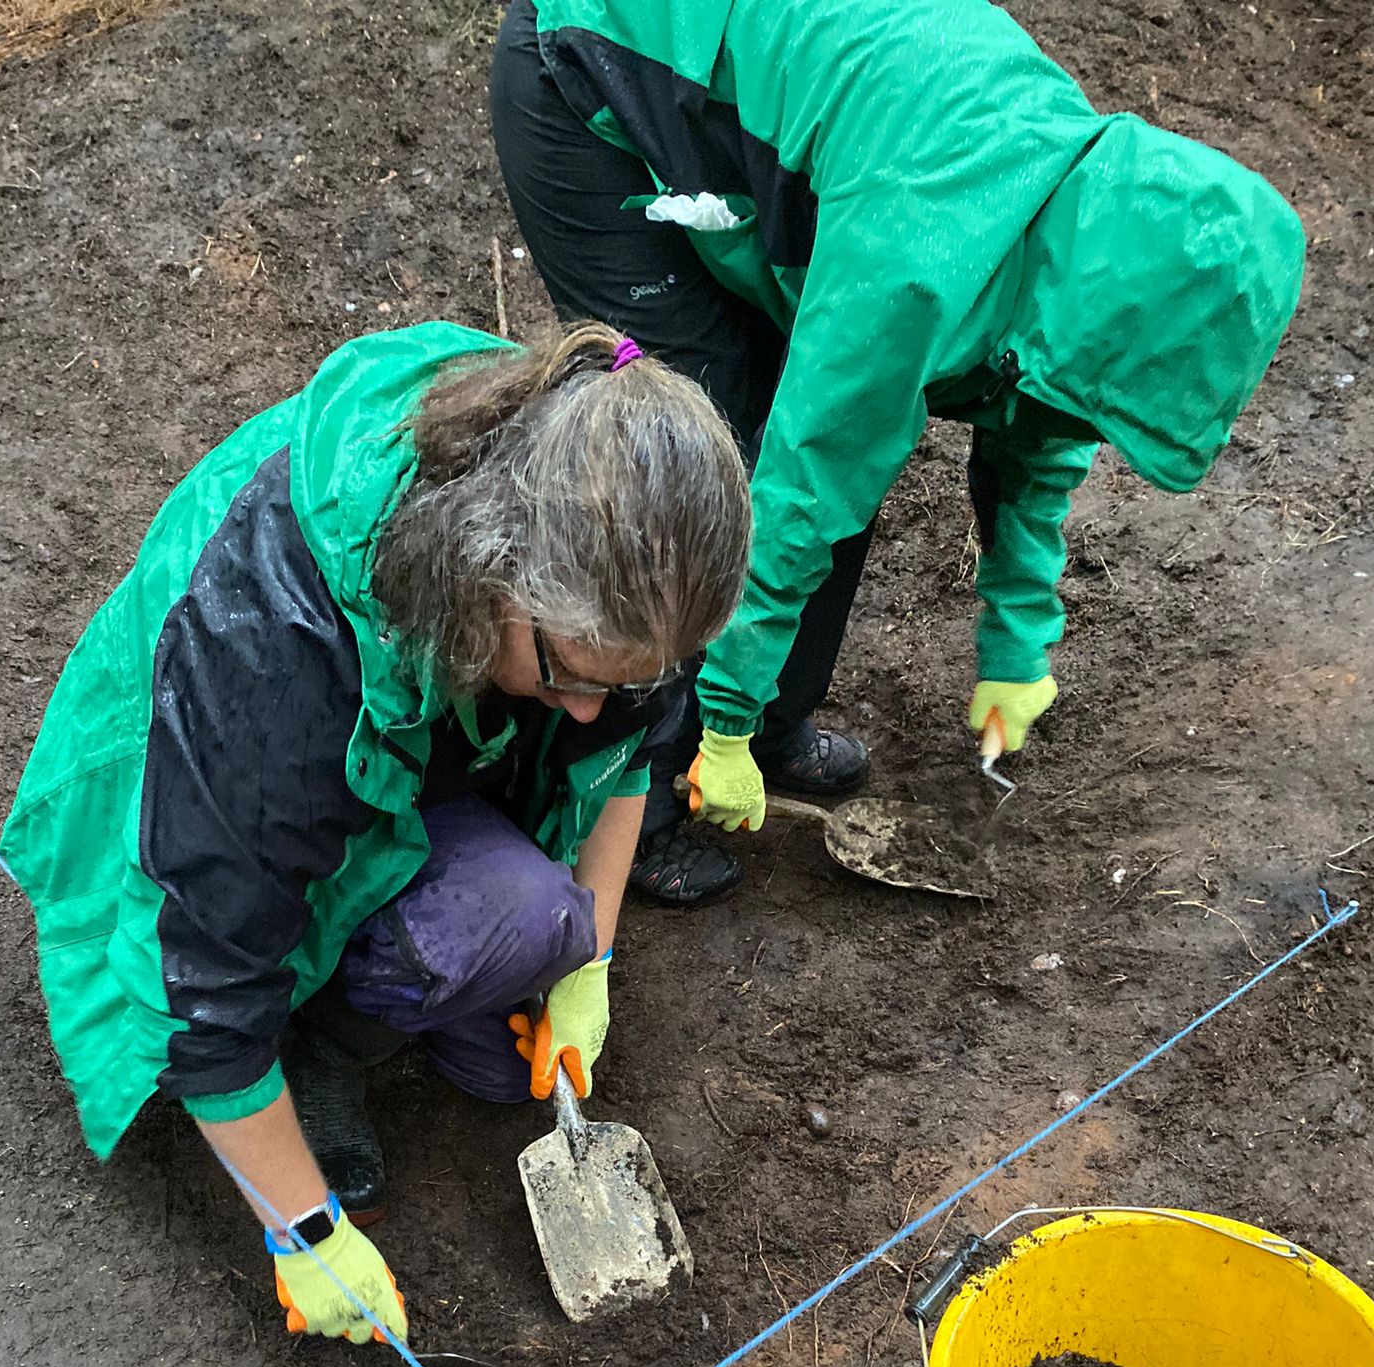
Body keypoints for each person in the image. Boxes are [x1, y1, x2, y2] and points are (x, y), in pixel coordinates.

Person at [1, 322, 751, 1347]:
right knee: (434, 943)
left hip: (408, 752)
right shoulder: (272, 657)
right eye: (575, 676)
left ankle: (387, 982)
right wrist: (305, 1231)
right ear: (493, 578)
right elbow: (199, 979)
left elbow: (621, 749)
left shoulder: (601, 496)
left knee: (518, 1006)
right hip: (214, 800)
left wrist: (595, 957)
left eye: (620, 678)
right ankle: (315, 1045)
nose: (588, 707)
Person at [491, 0, 1307, 905]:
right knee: (696, 462)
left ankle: (767, 720)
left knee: (834, 434)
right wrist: (716, 721)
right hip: (596, 71)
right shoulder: (923, 254)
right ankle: (644, 803)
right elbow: (807, 476)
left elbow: (1042, 415)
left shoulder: (1078, 226)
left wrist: (1017, 645)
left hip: (781, 141)